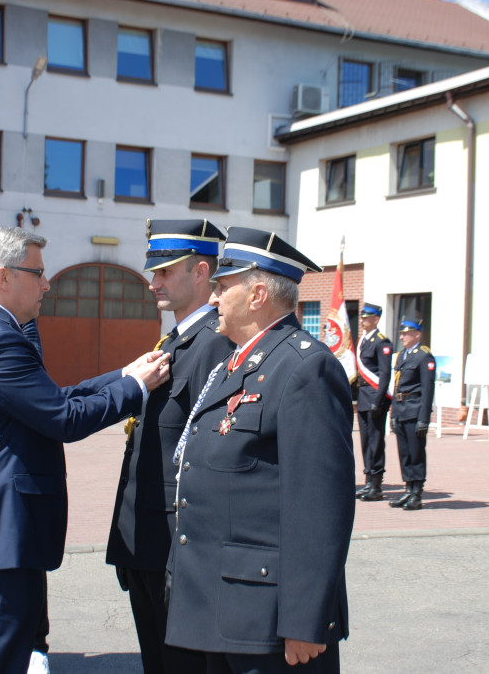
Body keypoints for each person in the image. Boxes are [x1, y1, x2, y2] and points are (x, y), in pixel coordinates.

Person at [0, 225, 170, 674]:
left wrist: (122, 374)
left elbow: (50, 400)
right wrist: (135, 388)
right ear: (3, 277)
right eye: (37, 273)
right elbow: (64, 419)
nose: (46, 284)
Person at [165, 227, 355, 674]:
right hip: (221, 604)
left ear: (257, 296)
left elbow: (319, 507)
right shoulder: (238, 362)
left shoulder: (304, 368)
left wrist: (305, 619)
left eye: (223, 287)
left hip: (270, 621)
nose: (213, 299)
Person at [106, 219, 233, 674]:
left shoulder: (216, 344)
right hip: (146, 543)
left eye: (165, 272)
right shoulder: (177, 341)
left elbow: (208, 461)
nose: (153, 280)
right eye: (153, 271)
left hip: (175, 552)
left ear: (201, 272)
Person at [388, 319, 435, 511]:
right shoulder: (401, 356)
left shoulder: (424, 357)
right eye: (401, 333)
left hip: (415, 410)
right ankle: (408, 488)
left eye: (406, 333)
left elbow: (427, 389)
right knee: (404, 453)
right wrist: (393, 412)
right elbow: (397, 385)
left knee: (416, 453)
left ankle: (416, 492)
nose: (401, 337)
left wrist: (424, 418)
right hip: (401, 409)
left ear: (417, 334)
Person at [354, 303, 392, 502]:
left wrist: (378, 400)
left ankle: (376, 485)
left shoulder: (381, 342)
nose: (362, 320)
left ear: (375, 319)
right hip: (363, 397)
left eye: (366, 317)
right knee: (366, 441)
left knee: (376, 441)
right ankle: (368, 480)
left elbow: (385, 374)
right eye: (361, 317)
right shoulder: (363, 340)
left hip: (375, 399)